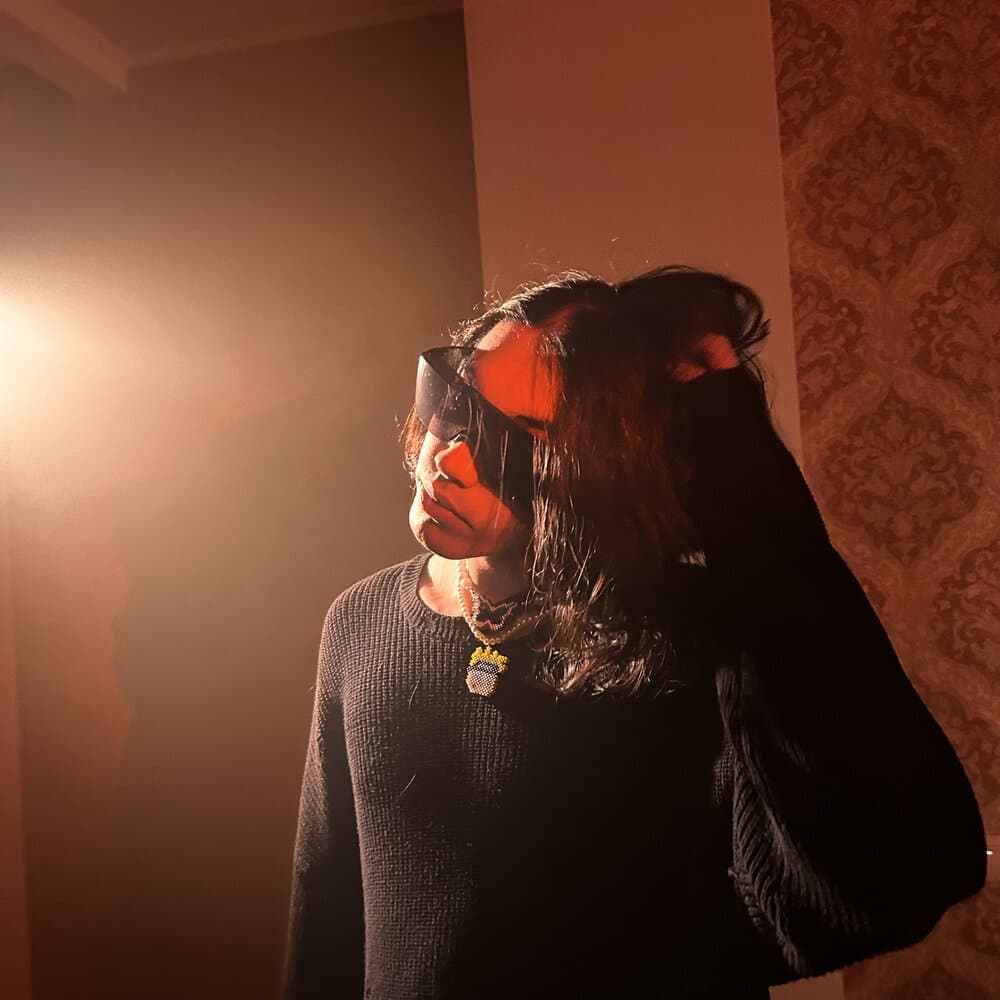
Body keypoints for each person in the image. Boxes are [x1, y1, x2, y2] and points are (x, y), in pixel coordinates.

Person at [283, 267, 986, 999]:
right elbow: (325, 904)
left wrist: (743, 475)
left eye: (514, 443)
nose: (451, 459)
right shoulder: (360, 621)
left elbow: (892, 869)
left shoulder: (681, 632)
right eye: (455, 405)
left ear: (594, 469)